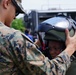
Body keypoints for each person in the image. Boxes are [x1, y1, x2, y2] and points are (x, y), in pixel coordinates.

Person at [0, 0, 76, 75]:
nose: (14, 17)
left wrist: (32, 47)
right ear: (6, 3)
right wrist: (70, 48)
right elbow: (50, 72)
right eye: (16, 12)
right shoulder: (12, 37)